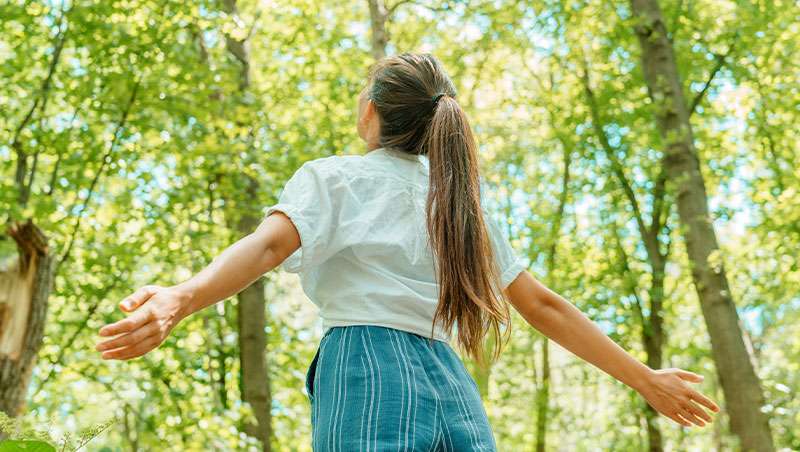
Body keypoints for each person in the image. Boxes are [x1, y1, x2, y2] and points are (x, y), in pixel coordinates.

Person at [95, 53, 720, 450]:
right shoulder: (461, 205)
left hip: (365, 364)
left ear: (371, 112)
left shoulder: (338, 176)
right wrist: (645, 379)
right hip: (449, 380)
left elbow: (264, 250)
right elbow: (544, 306)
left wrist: (182, 295)